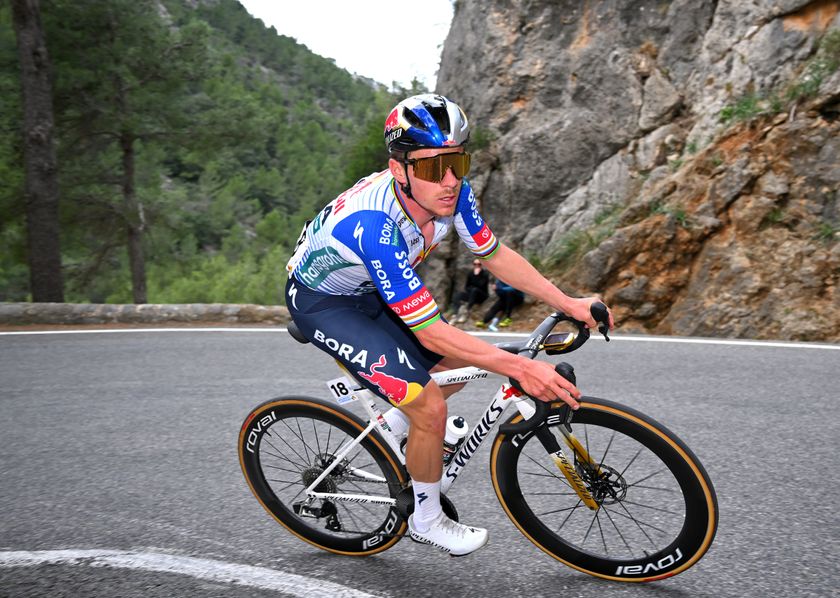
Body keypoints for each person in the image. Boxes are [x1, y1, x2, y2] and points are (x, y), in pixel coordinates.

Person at [284, 94, 613, 556]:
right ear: (399, 169)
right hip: (325, 303)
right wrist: (519, 369)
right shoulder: (376, 224)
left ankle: (402, 424)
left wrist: (567, 301)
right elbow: (430, 330)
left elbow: (493, 254)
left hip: (371, 290)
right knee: (431, 406)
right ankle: (426, 517)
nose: (451, 179)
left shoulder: (450, 191)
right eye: (434, 167)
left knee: (462, 359)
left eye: (458, 161)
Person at [450, 259, 489, 323]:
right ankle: (455, 313)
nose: (477, 266)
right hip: (472, 294)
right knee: (457, 295)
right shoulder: (470, 273)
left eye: (479, 264)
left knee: (474, 290)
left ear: (481, 265)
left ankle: (466, 311)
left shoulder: (484, 274)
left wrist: (476, 275)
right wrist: (471, 288)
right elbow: (467, 287)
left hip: (482, 295)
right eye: (475, 264)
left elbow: (481, 285)